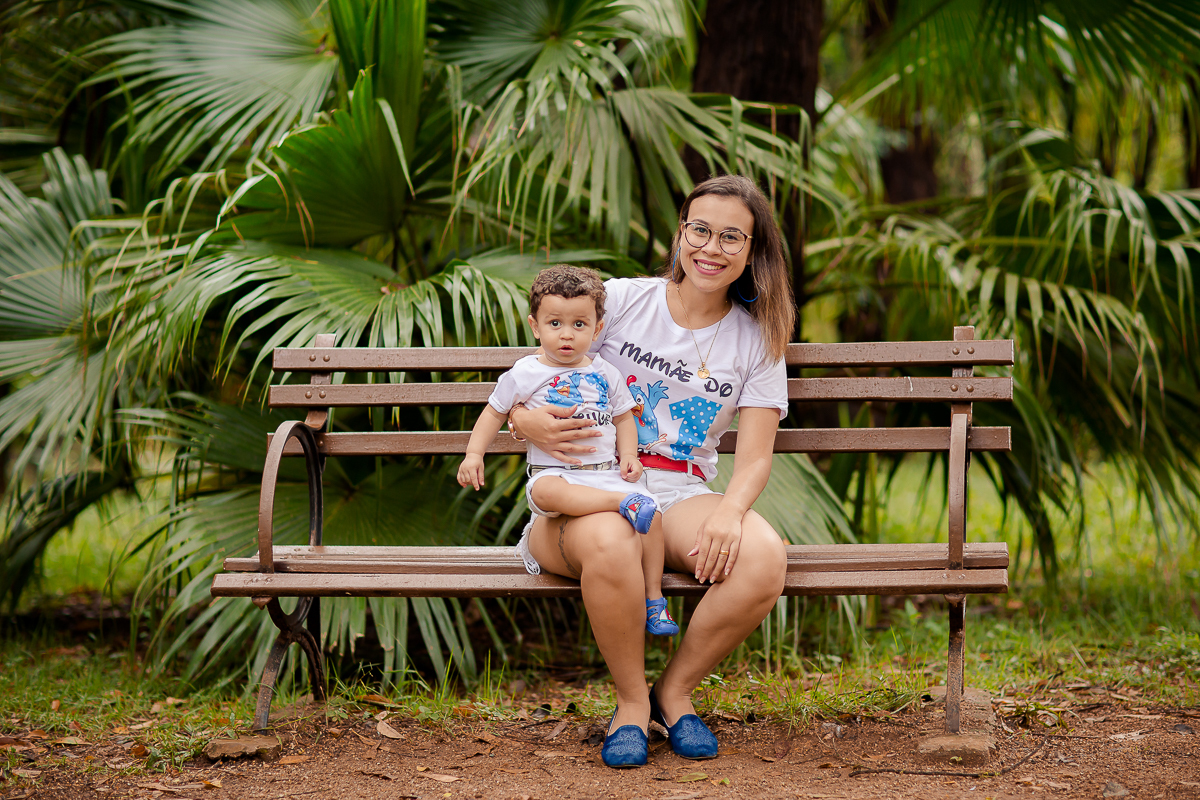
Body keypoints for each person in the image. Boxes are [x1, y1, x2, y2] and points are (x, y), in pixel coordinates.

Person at [509, 175, 796, 768]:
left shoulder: (759, 339)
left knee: (763, 557)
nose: (712, 249)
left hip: (679, 492)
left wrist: (729, 511)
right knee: (614, 536)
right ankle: (631, 704)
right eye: (701, 230)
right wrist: (521, 420)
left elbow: (757, 455)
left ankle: (675, 692)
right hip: (581, 494)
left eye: (732, 237)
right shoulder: (622, 300)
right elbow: (532, 367)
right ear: (680, 233)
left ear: (752, 251)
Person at [457, 265, 680, 636]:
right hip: (556, 475)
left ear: (596, 328)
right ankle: (618, 506)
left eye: (579, 325)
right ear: (535, 326)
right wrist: (474, 454)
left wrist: (628, 456)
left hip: (605, 474)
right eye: (555, 323)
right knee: (544, 491)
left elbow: (625, 418)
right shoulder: (525, 372)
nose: (566, 335)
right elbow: (495, 411)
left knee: (653, 516)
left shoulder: (606, 372)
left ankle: (654, 600)